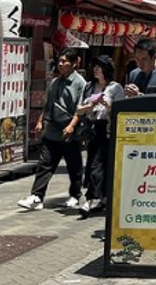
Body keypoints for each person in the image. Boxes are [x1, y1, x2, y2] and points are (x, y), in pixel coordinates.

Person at [18, 49, 87, 211]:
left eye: (65, 61)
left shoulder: (80, 84)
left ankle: (75, 195)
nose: (61, 64)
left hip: (70, 130)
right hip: (52, 129)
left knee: (73, 165)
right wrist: (40, 122)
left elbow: (80, 108)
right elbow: (48, 105)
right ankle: (37, 196)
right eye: (60, 61)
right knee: (45, 163)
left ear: (75, 63)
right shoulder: (55, 82)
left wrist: (72, 126)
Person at [69, 55, 124, 215]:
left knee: (101, 165)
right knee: (94, 164)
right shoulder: (88, 87)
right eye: (95, 66)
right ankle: (97, 198)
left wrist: (108, 106)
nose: (96, 69)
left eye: (99, 67)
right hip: (92, 129)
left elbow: (120, 112)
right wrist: (89, 106)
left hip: (108, 129)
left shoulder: (115, 88)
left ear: (107, 69)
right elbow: (78, 109)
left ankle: (94, 199)